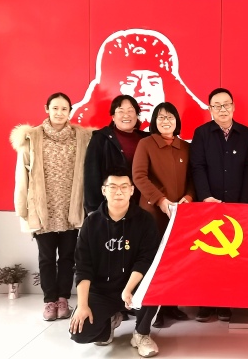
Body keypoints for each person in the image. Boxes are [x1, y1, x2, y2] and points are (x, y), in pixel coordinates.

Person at [10, 92, 92, 321]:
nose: (59, 113)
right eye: (55, 108)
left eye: (64, 109)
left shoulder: (81, 138)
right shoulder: (32, 137)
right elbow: (21, 175)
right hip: (42, 208)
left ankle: (63, 299)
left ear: (70, 111)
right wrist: (22, 208)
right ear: (47, 109)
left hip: (70, 208)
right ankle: (49, 301)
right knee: (46, 257)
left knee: (67, 257)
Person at [69, 167, 160, 358]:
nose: (119, 191)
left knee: (155, 283)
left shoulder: (145, 220)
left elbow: (145, 260)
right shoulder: (91, 223)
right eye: (113, 187)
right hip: (102, 291)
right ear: (104, 190)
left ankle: (141, 334)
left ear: (132, 190)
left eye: (124, 186)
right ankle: (109, 322)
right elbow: (83, 267)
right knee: (80, 333)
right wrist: (82, 305)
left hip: (133, 288)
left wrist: (128, 289)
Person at [190, 87, 248, 322]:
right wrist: (205, 196)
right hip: (209, 204)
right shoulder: (201, 134)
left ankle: (225, 303)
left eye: (226, 104)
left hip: (237, 205)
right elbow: (197, 167)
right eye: (216, 106)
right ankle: (205, 304)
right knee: (207, 255)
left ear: (234, 106)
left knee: (231, 256)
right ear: (210, 109)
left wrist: (244, 203)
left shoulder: (246, 134)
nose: (222, 109)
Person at [70, 29, 210, 139]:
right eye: (131, 81)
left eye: (153, 82)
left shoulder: (189, 140)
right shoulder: (95, 138)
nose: (143, 90)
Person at [132, 102, 195, 327]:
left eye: (170, 117)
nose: (165, 121)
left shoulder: (185, 147)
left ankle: (170, 305)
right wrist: (160, 200)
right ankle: (152, 311)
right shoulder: (146, 144)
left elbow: (192, 179)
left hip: (179, 214)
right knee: (152, 261)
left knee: (173, 260)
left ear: (177, 121)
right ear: (154, 122)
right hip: (153, 213)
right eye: (160, 117)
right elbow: (139, 176)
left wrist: (188, 198)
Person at [84, 95, 149, 214]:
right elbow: (91, 175)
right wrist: (93, 209)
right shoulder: (100, 138)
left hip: (142, 206)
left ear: (137, 115)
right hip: (110, 207)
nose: (126, 115)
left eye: (130, 111)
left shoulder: (147, 139)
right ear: (113, 117)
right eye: (121, 111)